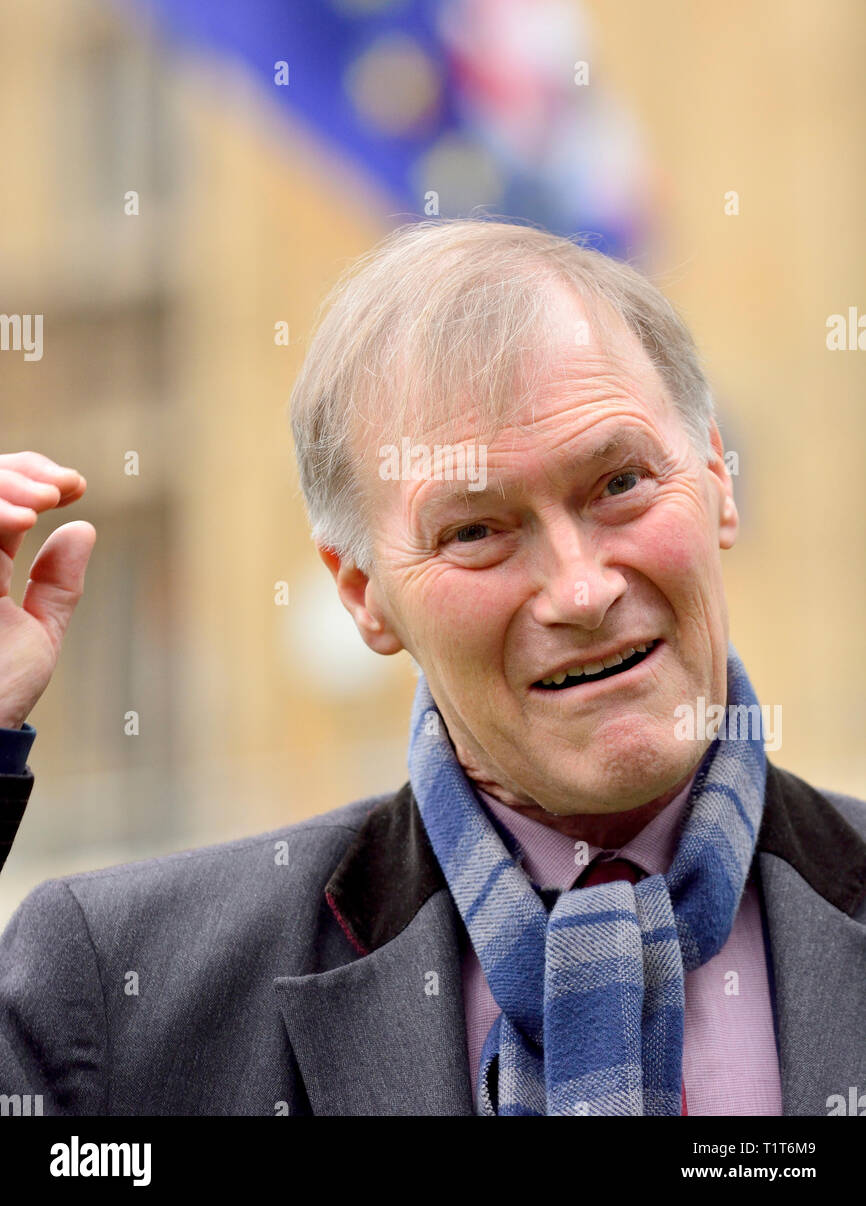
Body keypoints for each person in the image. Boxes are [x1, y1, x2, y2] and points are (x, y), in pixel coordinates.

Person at [1, 219, 864, 1117]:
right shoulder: (120, 994)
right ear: (364, 594)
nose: (580, 589)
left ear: (719, 476)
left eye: (619, 483)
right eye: (476, 531)